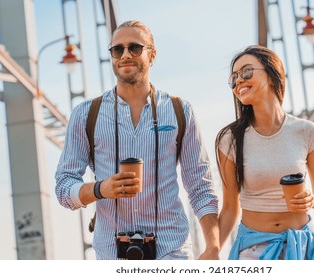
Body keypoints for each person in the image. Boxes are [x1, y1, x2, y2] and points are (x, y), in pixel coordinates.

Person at [55, 20, 219, 260]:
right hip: (112, 255)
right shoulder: (85, 115)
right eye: (117, 49)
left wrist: (213, 247)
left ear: (151, 55)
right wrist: (101, 189)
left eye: (134, 47)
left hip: (171, 252)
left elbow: (201, 186)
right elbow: (63, 188)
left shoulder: (180, 111)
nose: (125, 55)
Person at [215, 45, 314, 260]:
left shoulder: (306, 131)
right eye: (234, 77)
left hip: (303, 248)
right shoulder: (230, 139)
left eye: (246, 72)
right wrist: (212, 251)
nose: (238, 80)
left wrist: (312, 200)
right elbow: (230, 208)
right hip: (253, 251)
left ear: (271, 73)